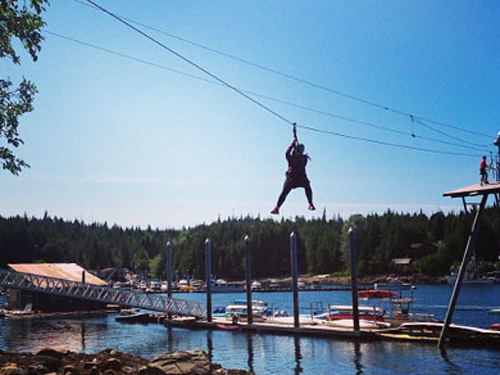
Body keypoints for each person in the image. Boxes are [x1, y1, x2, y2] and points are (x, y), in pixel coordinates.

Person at [271, 136, 315, 215]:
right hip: (291, 179)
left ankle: (310, 204)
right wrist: (292, 144)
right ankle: (277, 208)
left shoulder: (304, 158)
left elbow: (300, 158)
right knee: (284, 193)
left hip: (300, 178)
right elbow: (287, 153)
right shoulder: (290, 157)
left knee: (307, 186)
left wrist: (296, 146)